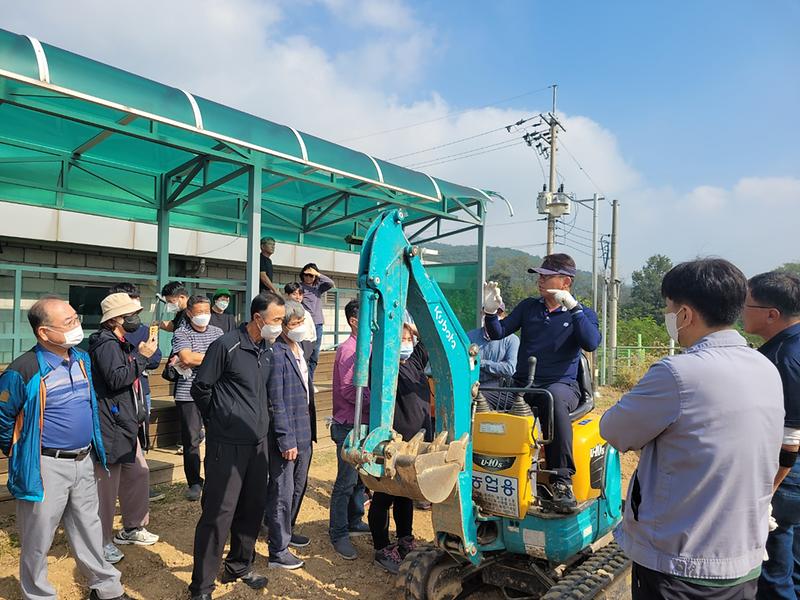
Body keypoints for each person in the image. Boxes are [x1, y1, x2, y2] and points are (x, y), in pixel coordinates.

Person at [600, 258, 784, 599]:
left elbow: (614, 429)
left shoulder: (677, 373)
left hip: (680, 565)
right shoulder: (765, 367)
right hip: (744, 556)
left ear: (685, 315)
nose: (666, 316)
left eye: (668, 308)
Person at [0, 296, 130, 600]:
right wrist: (20, 452)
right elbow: (3, 419)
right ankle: (39, 594)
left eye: (76, 318)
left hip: (83, 459)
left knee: (90, 526)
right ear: (44, 333)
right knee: (38, 536)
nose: (77, 326)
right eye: (69, 322)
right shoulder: (24, 370)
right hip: (45, 466)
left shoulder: (82, 359)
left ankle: (106, 588)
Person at [482, 254, 600, 513]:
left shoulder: (583, 314)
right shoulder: (529, 307)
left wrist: (574, 308)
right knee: (479, 398)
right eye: (540, 275)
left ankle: (561, 480)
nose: (541, 280)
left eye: (547, 275)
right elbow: (496, 333)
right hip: (523, 384)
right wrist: (491, 313)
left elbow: (590, 342)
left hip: (562, 385)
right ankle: (479, 468)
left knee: (554, 400)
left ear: (566, 282)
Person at [188, 292, 285, 600]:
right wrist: (220, 422)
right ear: (259, 319)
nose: (280, 326)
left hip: (257, 444)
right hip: (226, 445)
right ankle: (201, 586)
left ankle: (239, 566)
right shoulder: (226, 345)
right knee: (219, 513)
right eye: (277, 320)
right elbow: (200, 387)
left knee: (252, 507)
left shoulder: (265, 349)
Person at [89, 293, 160, 564]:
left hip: (127, 422)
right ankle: (101, 541)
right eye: (130, 314)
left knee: (138, 473)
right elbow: (117, 378)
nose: (135, 318)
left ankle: (132, 526)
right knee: (106, 487)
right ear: (115, 319)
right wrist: (141, 358)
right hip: (112, 424)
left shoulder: (121, 341)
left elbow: (147, 363)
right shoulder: (103, 344)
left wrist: (145, 354)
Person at [742, 271, 800, 600]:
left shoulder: (783, 359)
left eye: (747, 303)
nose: (741, 310)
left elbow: (790, 437)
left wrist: (767, 492)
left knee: (773, 575)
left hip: (785, 478)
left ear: (771, 314)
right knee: (792, 564)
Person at [369, 322, 428, 575]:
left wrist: (416, 331)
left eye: (407, 339)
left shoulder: (414, 366)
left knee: (405, 492)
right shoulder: (386, 370)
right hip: (393, 444)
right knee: (384, 495)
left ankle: (405, 538)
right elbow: (375, 363)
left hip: (414, 446)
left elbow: (427, 344)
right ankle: (382, 548)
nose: (405, 343)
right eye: (401, 340)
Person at [265, 300, 318, 570]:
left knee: (298, 487)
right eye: (293, 323)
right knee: (282, 492)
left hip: (304, 431)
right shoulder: (277, 352)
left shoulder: (301, 349)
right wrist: (285, 439)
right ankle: (278, 549)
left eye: (300, 322)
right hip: (289, 436)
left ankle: (286, 529)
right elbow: (276, 400)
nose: (298, 327)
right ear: (283, 327)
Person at [108, 282, 165, 502]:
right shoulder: (105, 337)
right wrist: (139, 356)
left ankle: (139, 484)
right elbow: (114, 370)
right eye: (130, 300)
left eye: (137, 300)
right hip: (118, 396)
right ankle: (118, 487)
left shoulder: (143, 329)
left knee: (139, 437)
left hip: (142, 391)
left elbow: (156, 357)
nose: (135, 307)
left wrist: (137, 358)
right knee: (120, 439)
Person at [328, 299, 371, 560]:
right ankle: (338, 532)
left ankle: (355, 519)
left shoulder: (366, 347)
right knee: (345, 482)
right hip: (348, 424)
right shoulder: (348, 351)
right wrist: (374, 398)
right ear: (354, 321)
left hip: (363, 423)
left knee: (359, 479)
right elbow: (347, 390)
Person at [172, 295, 223, 501]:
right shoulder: (181, 333)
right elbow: (186, 358)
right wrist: (210, 358)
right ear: (189, 313)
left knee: (216, 437)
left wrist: (196, 358)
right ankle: (194, 481)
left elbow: (224, 358)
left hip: (215, 391)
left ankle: (214, 478)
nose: (204, 316)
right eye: (199, 312)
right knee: (191, 440)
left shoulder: (218, 332)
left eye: (207, 311)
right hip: (188, 393)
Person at [467, 303, 519, 410]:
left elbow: (510, 369)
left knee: (479, 395)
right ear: (482, 313)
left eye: (498, 312)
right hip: (473, 383)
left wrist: (482, 363)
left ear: (503, 315)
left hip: (501, 387)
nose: (495, 315)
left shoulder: (512, 340)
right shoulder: (469, 337)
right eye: (489, 313)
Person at [299, 262, 335, 377]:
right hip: (304, 324)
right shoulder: (299, 287)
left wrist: (318, 274)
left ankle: (310, 379)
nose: (308, 277)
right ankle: (304, 379)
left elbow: (331, 283)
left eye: (311, 275)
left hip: (318, 324)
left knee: (315, 354)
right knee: (304, 352)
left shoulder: (318, 288)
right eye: (306, 274)